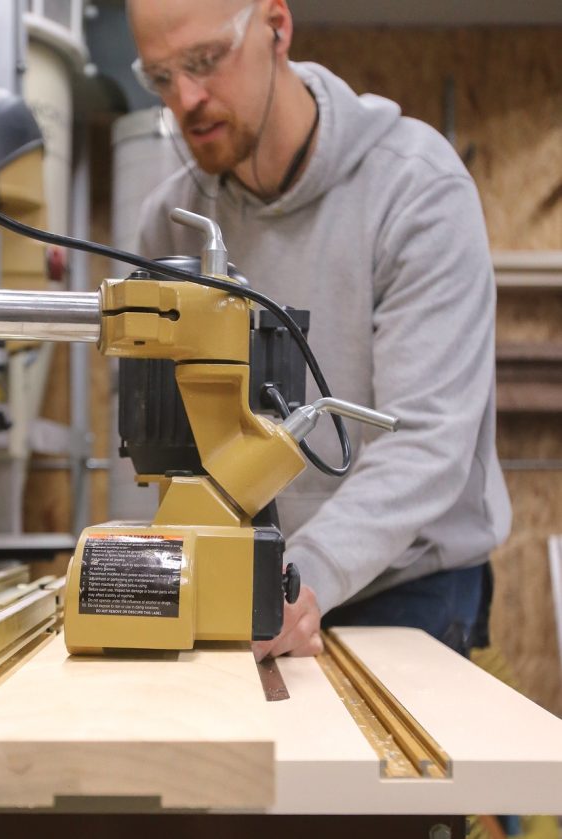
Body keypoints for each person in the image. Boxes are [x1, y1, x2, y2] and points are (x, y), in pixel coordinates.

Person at [126, 0, 512, 659]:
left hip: (406, 585)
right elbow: (156, 441)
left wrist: (304, 574)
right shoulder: (173, 221)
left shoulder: (416, 189)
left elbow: (423, 440)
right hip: (245, 579)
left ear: (277, 26)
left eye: (204, 61)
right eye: (161, 76)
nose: (185, 99)